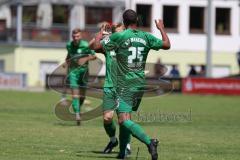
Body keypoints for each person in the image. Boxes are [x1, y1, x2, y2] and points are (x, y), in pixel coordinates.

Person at [93, 9, 170, 160]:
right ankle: (122, 153)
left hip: (125, 84)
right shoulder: (146, 36)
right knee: (125, 118)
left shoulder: (119, 36)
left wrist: (100, 34)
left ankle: (150, 142)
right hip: (140, 84)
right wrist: (161, 27)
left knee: (124, 120)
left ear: (124, 21)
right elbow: (167, 44)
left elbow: (96, 47)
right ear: (137, 21)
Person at [90, 23, 132, 155]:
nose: (121, 35)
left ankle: (127, 145)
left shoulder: (129, 44)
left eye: (122, 32)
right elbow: (92, 47)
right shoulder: (108, 46)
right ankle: (113, 140)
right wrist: (100, 35)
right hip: (109, 86)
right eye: (118, 33)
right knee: (107, 118)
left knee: (125, 119)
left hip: (125, 86)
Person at [66, 28, 96, 125]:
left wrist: (85, 58)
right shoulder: (69, 45)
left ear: (81, 36)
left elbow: (94, 56)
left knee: (82, 96)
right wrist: (66, 62)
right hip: (73, 73)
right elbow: (68, 55)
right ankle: (77, 114)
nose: (75, 38)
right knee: (75, 95)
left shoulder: (85, 45)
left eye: (77, 36)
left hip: (84, 73)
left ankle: (78, 109)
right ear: (72, 36)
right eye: (74, 36)